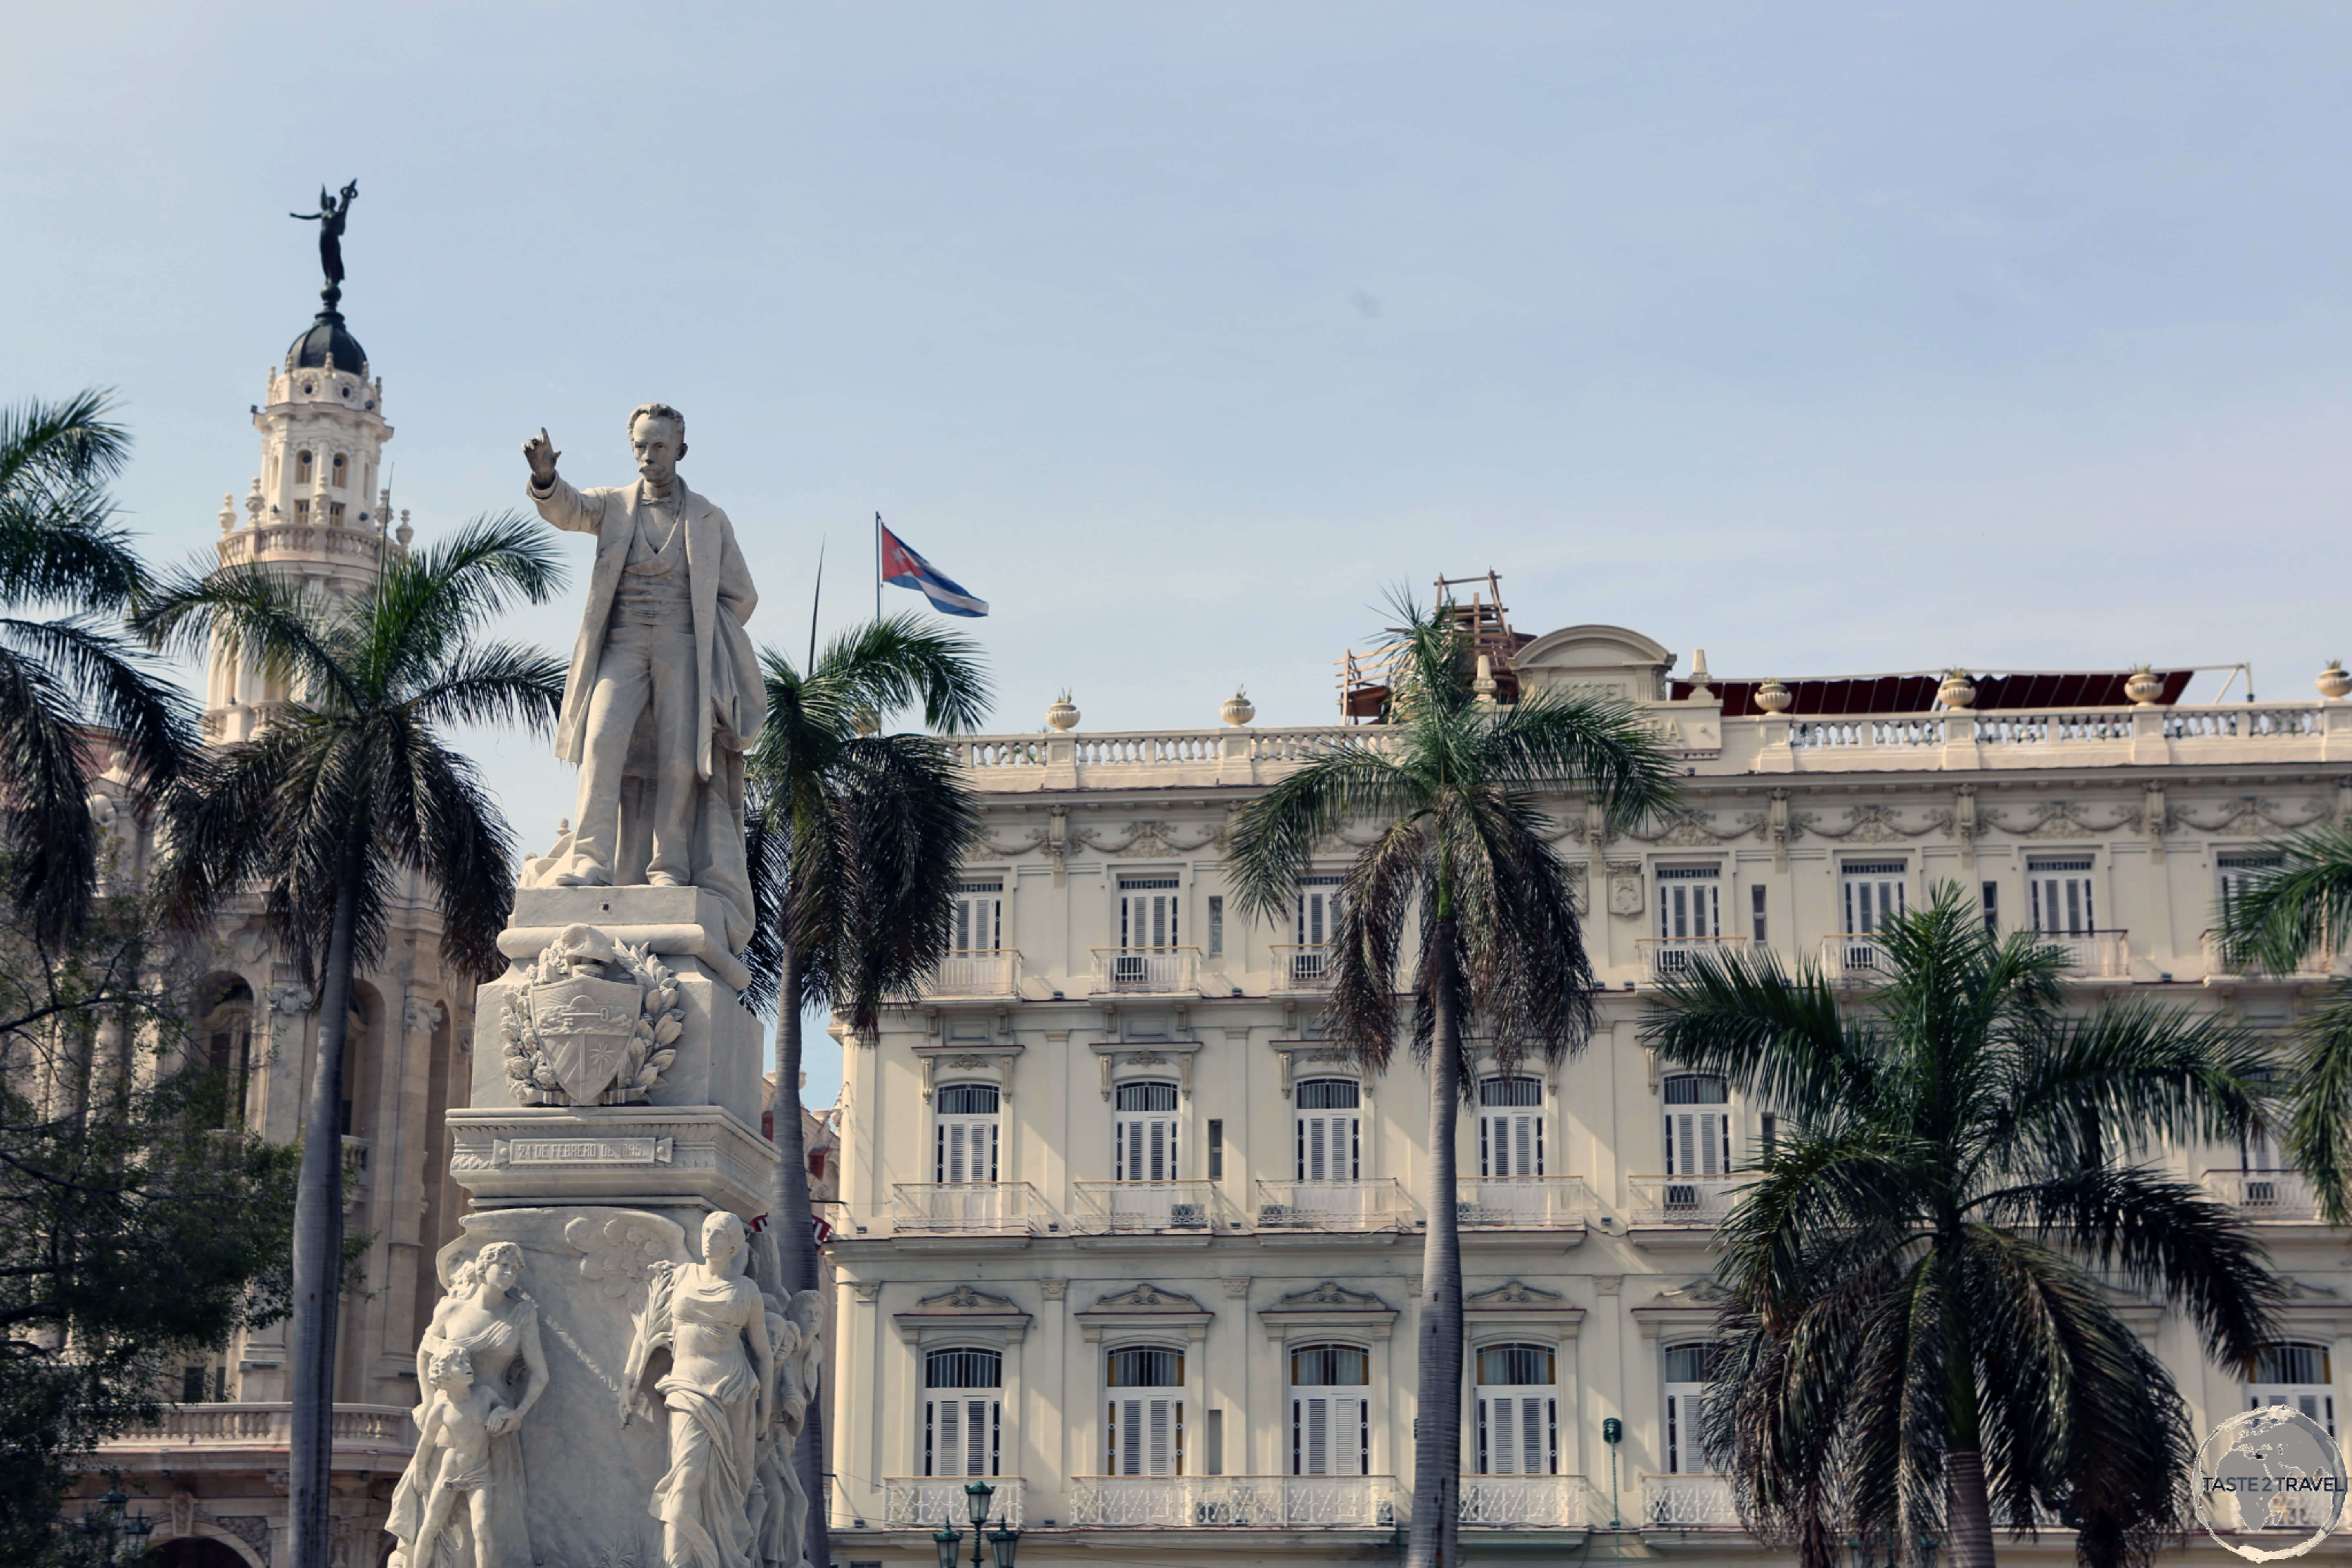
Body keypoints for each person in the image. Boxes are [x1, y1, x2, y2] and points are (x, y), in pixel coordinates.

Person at [521, 406, 764, 952]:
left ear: (681, 449)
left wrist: (709, 629)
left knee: (681, 758)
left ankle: (669, 864)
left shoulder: (708, 519)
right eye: (640, 447)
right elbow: (569, 510)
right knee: (602, 746)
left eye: (659, 446)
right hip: (623, 643)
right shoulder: (613, 506)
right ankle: (589, 862)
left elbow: (742, 595)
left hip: (682, 646)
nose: (649, 456)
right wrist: (544, 479)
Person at [623, 1212, 777, 1568]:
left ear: (734, 1244)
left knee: (728, 1488)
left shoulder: (746, 1291)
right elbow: (646, 1332)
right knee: (686, 1477)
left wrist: (765, 1412)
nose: (709, 1239)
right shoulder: (682, 1276)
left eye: (719, 1234)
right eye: (706, 1231)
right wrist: (628, 1384)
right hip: (686, 1388)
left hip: (732, 1391)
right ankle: (679, 1562)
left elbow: (765, 1354)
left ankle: (719, 1557)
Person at [396, 1241, 548, 1566]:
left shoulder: (521, 1314)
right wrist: (427, 1404)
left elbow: (540, 1374)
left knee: (487, 1523)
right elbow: (425, 1355)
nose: (508, 1274)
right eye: (502, 1266)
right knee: (434, 1520)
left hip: (494, 1421)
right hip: (450, 1419)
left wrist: (517, 1413)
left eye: (514, 1268)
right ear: (483, 1267)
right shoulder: (451, 1310)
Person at [388, 1345, 507, 1568]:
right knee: (431, 1526)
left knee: (482, 1527)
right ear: (445, 1374)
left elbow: (509, 1413)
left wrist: (500, 1413)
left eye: (467, 1362)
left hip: (480, 1472)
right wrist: (421, 1474)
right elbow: (426, 1444)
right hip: (450, 1473)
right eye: (460, 1364)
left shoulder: (486, 1396)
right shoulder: (442, 1409)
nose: (468, 1367)